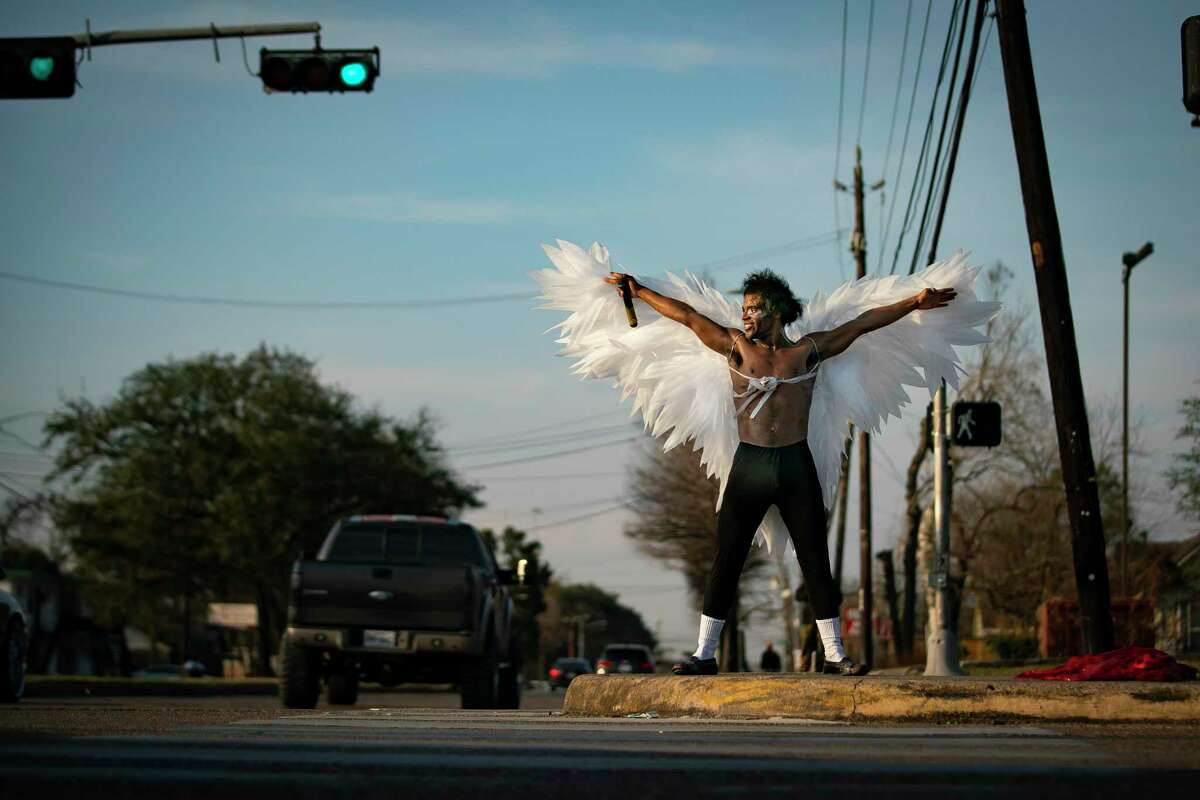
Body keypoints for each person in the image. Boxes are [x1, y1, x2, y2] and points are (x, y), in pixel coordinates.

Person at [602, 268, 957, 677]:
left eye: (754, 308)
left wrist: (914, 302)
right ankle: (704, 653)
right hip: (749, 466)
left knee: (815, 562)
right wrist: (640, 291)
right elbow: (685, 316)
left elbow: (862, 324)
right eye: (744, 308)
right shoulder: (735, 347)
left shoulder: (807, 351)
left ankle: (834, 654)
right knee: (727, 560)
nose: (746, 315)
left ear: (776, 311)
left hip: (795, 466)